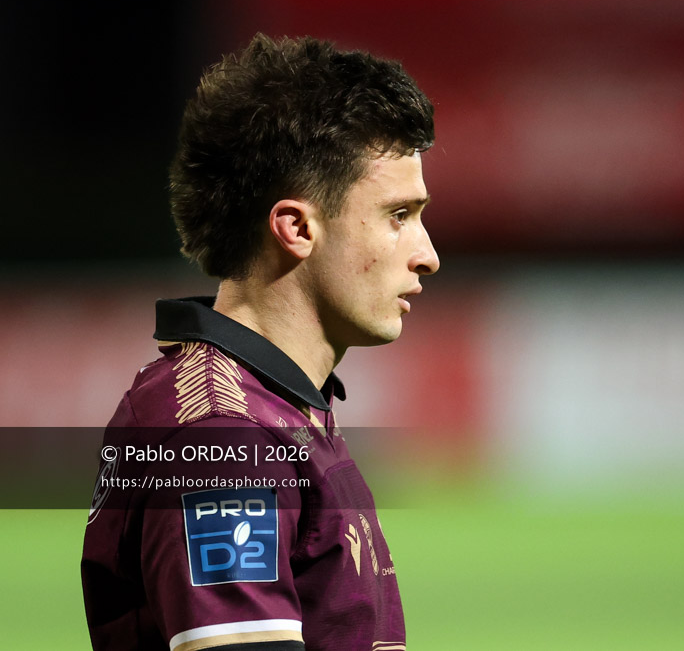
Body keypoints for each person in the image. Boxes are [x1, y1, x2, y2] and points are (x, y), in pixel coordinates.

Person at [82, 33, 439, 651]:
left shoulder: (272, 410)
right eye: (398, 216)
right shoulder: (224, 436)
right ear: (297, 228)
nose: (428, 256)